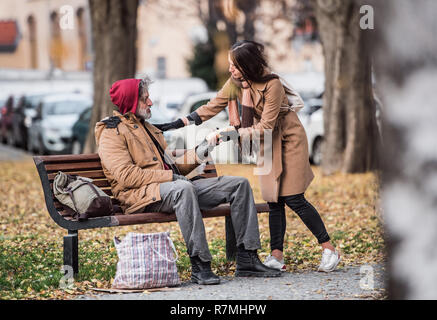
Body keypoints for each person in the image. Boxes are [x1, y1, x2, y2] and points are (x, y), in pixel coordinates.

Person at [156, 40, 341, 273]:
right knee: (274, 201)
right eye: (230, 65)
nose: (231, 69)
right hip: (265, 144)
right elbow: (212, 106)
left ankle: (328, 248)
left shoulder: (272, 84)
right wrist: (176, 123)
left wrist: (230, 133)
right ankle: (276, 255)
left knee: (294, 197)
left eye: (235, 65)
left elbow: (266, 126)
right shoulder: (236, 83)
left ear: (248, 64)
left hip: (287, 140)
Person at [94, 76, 282, 286]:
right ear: (130, 102)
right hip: (140, 196)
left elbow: (173, 165)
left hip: (172, 188)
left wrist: (207, 146)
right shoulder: (111, 131)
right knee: (183, 188)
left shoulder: (149, 128)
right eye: (145, 99)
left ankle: (247, 258)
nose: (151, 103)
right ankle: (200, 265)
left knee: (238, 185)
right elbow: (126, 176)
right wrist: (171, 177)